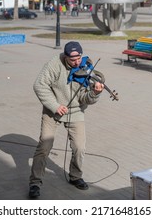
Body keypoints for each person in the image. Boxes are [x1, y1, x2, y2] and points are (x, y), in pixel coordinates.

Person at [29, 41, 104, 198]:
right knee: (44, 146)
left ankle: (75, 176)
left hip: (76, 111)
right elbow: (39, 86)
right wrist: (55, 106)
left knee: (79, 147)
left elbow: (85, 98)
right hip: (53, 110)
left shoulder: (86, 67)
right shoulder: (54, 64)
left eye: (79, 59)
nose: (77, 63)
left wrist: (94, 94)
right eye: (73, 60)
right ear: (65, 56)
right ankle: (35, 182)